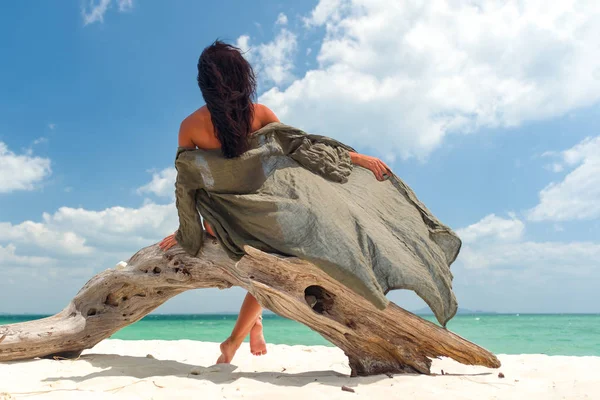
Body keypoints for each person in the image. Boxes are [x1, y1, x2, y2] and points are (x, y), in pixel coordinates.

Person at [159, 40, 391, 365]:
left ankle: (234, 341)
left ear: (205, 84)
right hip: (250, 210)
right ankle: (241, 336)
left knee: (263, 262)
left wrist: (356, 159)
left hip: (233, 212)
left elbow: (188, 186)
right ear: (243, 78)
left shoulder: (192, 125)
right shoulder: (258, 114)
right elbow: (301, 149)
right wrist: (186, 234)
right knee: (265, 259)